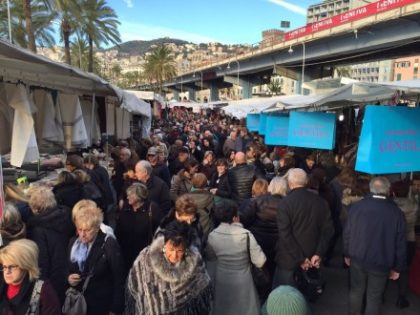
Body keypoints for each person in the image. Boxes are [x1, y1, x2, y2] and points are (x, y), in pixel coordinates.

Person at [343, 177, 407, 315]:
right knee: (374, 297)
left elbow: (347, 234)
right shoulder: (397, 213)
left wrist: (347, 253)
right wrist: (398, 267)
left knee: (356, 291)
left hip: (358, 257)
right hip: (381, 262)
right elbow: (400, 244)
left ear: (371, 189)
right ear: (388, 190)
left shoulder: (356, 207)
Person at [125, 221, 212, 315]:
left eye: (179, 251)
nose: (174, 255)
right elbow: (134, 288)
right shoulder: (145, 259)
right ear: (164, 244)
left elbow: (201, 300)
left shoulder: (195, 264)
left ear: (186, 249)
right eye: (171, 250)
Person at [273, 168, 333, 288]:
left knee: (284, 299)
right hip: (312, 258)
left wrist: (301, 259)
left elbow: (285, 234)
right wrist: (318, 253)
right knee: (305, 297)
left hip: (289, 260)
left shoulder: (285, 203)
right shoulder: (321, 202)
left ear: (290, 184)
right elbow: (328, 230)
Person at [206, 201, 266, 315]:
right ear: (234, 218)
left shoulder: (213, 235)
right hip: (244, 280)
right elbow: (260, 261)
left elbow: (210, 258)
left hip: (222, 279)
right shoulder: (246, 235)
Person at [67, 200, 125, 315]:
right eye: (80, 229)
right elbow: (66, 267)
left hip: (101, 305)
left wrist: (115, 309)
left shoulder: (109, 244)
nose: (82, 235)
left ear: (97, 228)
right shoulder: (73, 242)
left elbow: (119, 278)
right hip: (80, 303)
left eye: (87, 230)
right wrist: (68, 278)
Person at [26, 185, 74, 303]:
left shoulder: (39, 230)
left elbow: (42, 262)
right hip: (68, 272)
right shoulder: (66, 216)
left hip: (52, 280)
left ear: (37, 208)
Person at [241, 176, 288, 283]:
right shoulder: (287, 203)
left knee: (259, 268)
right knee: (273, 269)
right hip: (277, 242)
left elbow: (245, 219)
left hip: (259, 239)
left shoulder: (258, 201)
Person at [0, 239, 61, 314]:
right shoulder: (2, 286)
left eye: (12, 266)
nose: (7, 272)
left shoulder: (42, 289)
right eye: (4, 267)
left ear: (26, 265)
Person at [116, 183, 163, 275]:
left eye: (130, 195)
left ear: (139, 196)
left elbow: (160, 231)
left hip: (144, 253)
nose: (128, 197)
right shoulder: (126, 208)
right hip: (126, 252)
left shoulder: (152, 209)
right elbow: (119, 229)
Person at [187, 173, 214, 241]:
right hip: (206, 231)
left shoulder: (186, 198)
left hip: (190, 232)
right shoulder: (210, 197)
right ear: (205, 184)